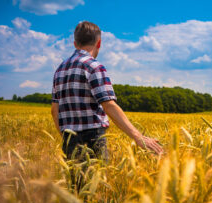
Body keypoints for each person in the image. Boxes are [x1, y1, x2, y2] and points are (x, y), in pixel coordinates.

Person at [51, 21, 163, 160]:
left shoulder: (60, 70)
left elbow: (54, 110)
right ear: (99, 43)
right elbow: (108, 105)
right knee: (97, 180)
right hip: (92, 138)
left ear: (75, 43)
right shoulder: (94, 67)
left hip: (68, 139)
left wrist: (66, 138)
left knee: (76, 182)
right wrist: (138, 137)